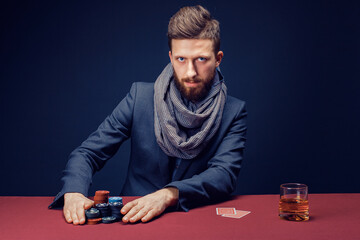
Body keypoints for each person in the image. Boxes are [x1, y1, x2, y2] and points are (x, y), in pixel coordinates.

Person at [49, 5, 247, 225]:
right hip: (132, 219)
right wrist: (74, 191)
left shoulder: (234, 111)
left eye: (201, 59)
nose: (190, 72)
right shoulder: (140, 97)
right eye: (181, 59)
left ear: (218, 59)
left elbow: (224, 175)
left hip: (193, 222)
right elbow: (87, 153)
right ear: (171, 57)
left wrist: (168, 194)